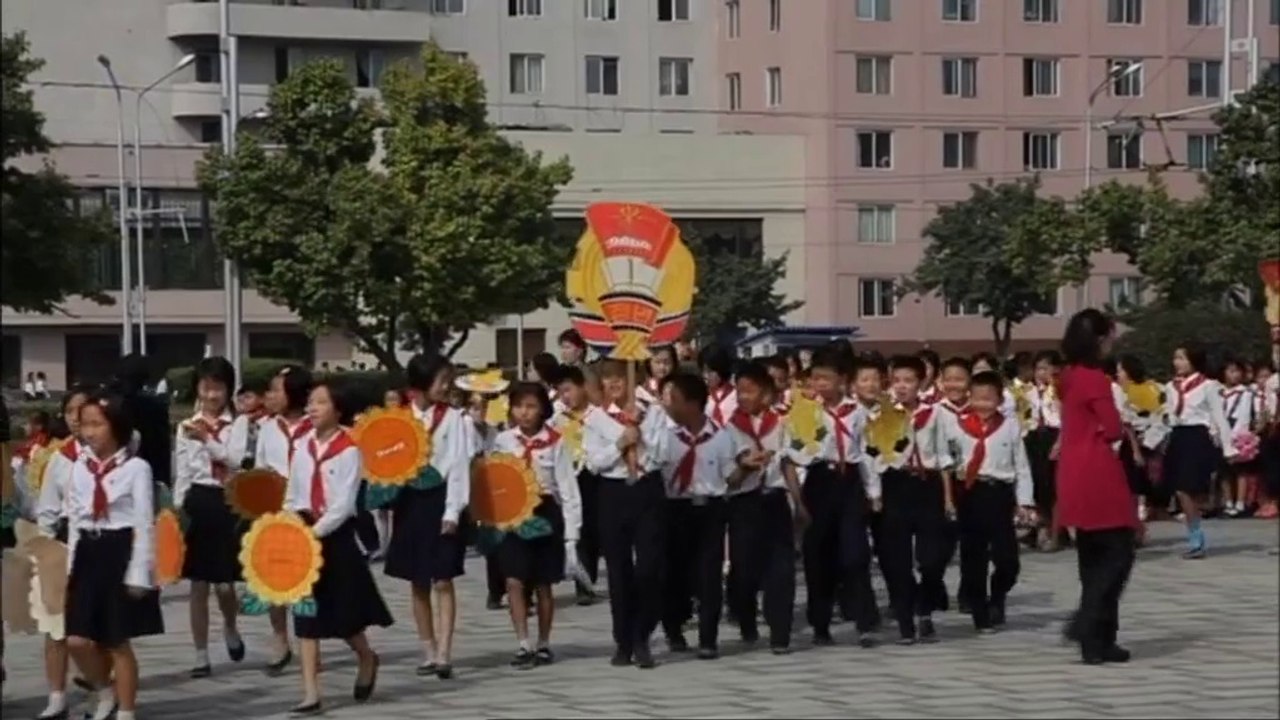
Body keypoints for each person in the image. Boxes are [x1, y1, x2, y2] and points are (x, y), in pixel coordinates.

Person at [285, 379, 390, 716]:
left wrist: (316, 532)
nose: (312, 409)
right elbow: (295, 490)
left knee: (344, 616)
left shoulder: (349, 449)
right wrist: (290, 525)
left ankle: (366, 657)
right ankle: (311, 692)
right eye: (310, 403)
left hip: (335, 536)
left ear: (338, 409)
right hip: (303, 532)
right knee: (305, 616)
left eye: (320, 403)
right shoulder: (303, 446)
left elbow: (344, 505)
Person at [64, 390, 163, 720]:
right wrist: (71, 565)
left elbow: (144, 522)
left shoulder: (137, 468)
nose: (89, 432)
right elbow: (76, 518)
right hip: (88, 552)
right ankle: (103, 690)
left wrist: (140, 572)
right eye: (84, 424)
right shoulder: (80, 467)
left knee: (117, 639)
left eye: (97, 424)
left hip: (120, 550)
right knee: (77, 639)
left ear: (116, 426)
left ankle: (127, 710)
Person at [1056, 309, 1136, 665]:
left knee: (1091, 556)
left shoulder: (1069, 376)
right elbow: (1115, 428)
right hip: (1097, 468)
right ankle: (1089, 621)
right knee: (1119, 553)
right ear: (1100, 340)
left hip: (1071, 466)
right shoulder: (1095, 379)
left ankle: (1098, 642)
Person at [383, 354, 470, 679]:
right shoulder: (399, 418)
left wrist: (453, 511)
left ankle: (446, 651)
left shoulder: (454, 419)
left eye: (448, 380)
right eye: (441, 380)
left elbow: (459, 466)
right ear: (419, 385)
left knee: (443, 578)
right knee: (418, 580)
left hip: (441, 499)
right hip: (409, 502)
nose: (447, 386)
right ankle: (428, 649)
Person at [787, 344, 880, 647]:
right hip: (818, 481)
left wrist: (873, 491)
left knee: (856, 554)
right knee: (818, 555)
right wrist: (797, 498)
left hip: (849, 481)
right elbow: (794, 453)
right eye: (815, 379)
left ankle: (864, 621)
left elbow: (868, 453)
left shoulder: (858, 412)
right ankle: (820, 623)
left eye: (826, 378)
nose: (819, 385)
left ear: (842, 379)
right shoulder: (806, 411)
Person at [581, 358, 668, 669]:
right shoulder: (596, 418)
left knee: (649, 567)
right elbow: (594, 462)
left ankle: (643, 633)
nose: (614, 383)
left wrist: (640, 433)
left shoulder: (653, 411)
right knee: (618, 571)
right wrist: (620, 443)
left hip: (647, 488)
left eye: (620, 377)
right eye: (608, 378)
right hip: (613, 492)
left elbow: (663, 453)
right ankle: (624, 641)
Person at [490, 382, 582, 669]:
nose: (524, 413)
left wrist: (572, 534)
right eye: (519, 406)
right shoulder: (504, 440)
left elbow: (568, 490)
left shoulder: (556, 442)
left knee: (543, 583)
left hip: (545, 511)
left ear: (543, 409)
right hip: (514, 513)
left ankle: (543, 643)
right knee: (514, 580)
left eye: (531, 406)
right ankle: (523, 643)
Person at [939, 371, 1035, 632]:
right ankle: (980, 615)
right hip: (969, 493)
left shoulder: (1010, 425)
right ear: (970, 397)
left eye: (989, 399)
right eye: (978, 398)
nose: (983, 404)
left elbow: (1022, 466)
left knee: (1008, 561)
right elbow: (946, 462)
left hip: (999, 493)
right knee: (973, 558)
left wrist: (1024, 502)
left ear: (999, 399)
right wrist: (949, 498)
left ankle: (998, 594)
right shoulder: (955, 426)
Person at [174, 357, 245, 678]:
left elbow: (234, 460)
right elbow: (183, 471)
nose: (212, 395)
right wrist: (178, 509)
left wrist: (207, 440)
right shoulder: (185, 426)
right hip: (199, 500)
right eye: (206, 388)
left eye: (218, 388)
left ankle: (230, 626)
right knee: (198, 584)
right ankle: (200, 654)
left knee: (226, 585)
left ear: (228, 389)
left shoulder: (239, 423)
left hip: (229, 500)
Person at [876, 355, 951, 645]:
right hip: (896, 485)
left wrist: (947, 498)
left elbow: (944, 456)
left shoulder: (937, 414)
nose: (902, 387)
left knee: (932, 558)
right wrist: (875, 493)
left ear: (922, 383)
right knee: (898, 558)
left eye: (908, 381)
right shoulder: (883, 415)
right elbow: (875, 453)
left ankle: (925, 605)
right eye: (896, 381)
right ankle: (906, 621)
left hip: (927, 485)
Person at [725, 361, 798, 653]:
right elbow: (728, 478)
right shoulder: (730, 428)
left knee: (781, 569)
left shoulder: (782, 423)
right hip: (744, 503)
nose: (743, 397)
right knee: (744, 570)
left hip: (775, 500)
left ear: (767, 393)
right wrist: (745, 466)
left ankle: (780, 632)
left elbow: (789, 463)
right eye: (739, 391)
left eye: (750, 391)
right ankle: (745, 619)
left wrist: (800, 503)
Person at [32, 386, 93, 720]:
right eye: (70, 411)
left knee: (95, 629)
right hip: (63, 540)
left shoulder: (113, 452)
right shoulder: (59, 458)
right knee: (54, 624)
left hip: (99, 542)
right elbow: (47, 509)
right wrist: (45, 547)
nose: (75, 417)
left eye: (82, 410)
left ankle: (104, 689)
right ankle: (56, 696)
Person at [251, 364, 315, 674]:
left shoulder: (314, 427)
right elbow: (261, 467)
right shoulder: (266, 427)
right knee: (274, 580)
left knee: (309, 582)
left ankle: (310, 640)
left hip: (307, 512)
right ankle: (280, 639)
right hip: (275, 513)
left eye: (276, 390)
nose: (269, 396)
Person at [1163, 343, 1236, 558]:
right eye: (1176, 358)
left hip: (1197, 436)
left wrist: (1228, 447)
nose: (1178, 363)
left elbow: (1219, 417)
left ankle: (1196, 537)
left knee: (1188, 488)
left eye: (1182, 358)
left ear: (1194, 360)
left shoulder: (1208, 386)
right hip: (1178, 435)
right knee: (1179, 489)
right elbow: (1169, 413)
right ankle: (1195, 533)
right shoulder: (1170, 387)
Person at [553, 366, 602, 605]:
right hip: (568, 477)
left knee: (592, 530)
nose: (565, 396)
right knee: (575, 529)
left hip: (593, 476)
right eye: (561, 391)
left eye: (569, 390)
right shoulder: (557, 418)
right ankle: (581, 581)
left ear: (582, 387)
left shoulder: (597, 415)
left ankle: (587, 579)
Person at [109, 354, 172, 490]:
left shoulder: (107, 401)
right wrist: (163, 480)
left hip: (110, 472)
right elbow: (162, 448)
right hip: (148, 473)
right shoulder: (154, 406)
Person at [1024, 350, 1063, 551]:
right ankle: (1042, 528)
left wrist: (1059, 443)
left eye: (1045, 368)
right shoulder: (1032, 391)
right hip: (1035, 437)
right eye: (1038, 368)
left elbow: (1067, 419)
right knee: (1040, 486)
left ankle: (1055, 534)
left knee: (1055, 488)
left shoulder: (1060, 390)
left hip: (1054, 436)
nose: (1040, 373)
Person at [699, 346, 738, 426]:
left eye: (710, 371)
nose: (706, 375)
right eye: (703, 371)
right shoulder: (701, 396)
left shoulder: (736, 395)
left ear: (721, 369)